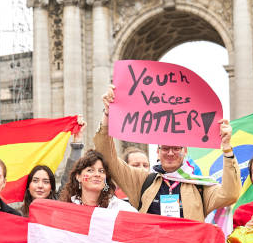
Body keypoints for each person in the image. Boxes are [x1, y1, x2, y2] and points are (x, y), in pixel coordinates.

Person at [96, 86, 240, 222]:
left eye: (176, 148)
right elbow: (108, 157)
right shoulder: (142, 180)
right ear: (158, 152)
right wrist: (108, 114)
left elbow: (230, 194)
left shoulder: (200, 186)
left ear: (185, 151)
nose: (170, 153)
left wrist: (227, 148)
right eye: (165, 148)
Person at [58, 150, 137, 213]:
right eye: (90, 170)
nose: (97, 174)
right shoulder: (65, 209)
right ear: (78, 177)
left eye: (101, 171)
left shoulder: (119, 207)